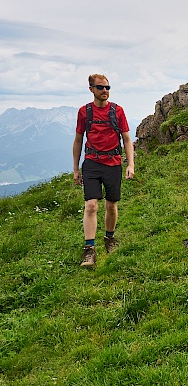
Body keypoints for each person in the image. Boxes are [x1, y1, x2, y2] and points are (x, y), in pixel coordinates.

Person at [73, 74, 135, 266]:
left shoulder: (118, 111)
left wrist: (130, 164)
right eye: (101, 88)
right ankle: (89, 250)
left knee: (111, 205)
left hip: (113, 163)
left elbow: (126, 139)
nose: (105, 91)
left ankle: (109, 238)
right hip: (91, 163)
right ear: (91, 89)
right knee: (91, 205)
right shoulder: (84, 112)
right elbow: (78, 140)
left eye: (108, 87)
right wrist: (75, 168)